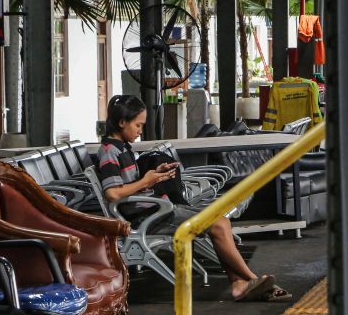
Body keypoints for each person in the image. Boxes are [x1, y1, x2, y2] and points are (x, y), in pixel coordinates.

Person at [97, 95, 290, 302]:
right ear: (121, 122)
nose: (140, 131)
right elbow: (113, 193)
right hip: (146, 218)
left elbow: (130, 183)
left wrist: (156, 173)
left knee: (220, 222)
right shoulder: (109, 151)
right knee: (218, 225)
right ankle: (251, 279)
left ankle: (239, 284)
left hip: (156, 211)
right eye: (138, 125)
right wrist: (146, 181)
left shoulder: (121, 148)